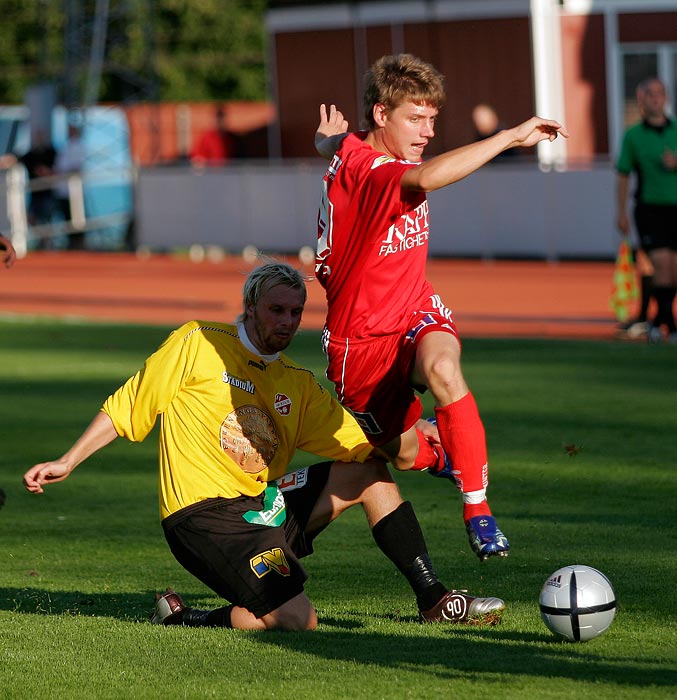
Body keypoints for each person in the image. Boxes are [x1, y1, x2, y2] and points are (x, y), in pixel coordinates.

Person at [23, 261, 506, 630]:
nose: (288, 322)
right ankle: (187, 620)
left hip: (260, 505)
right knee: (300, 620)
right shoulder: (198, 343)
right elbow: (129, 404)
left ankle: (433, 600)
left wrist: (423, 437)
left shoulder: (295, 382)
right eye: (276, 310)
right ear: (250, 306)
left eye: (296, 313)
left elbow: (362, 442)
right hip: (204, 519)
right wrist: (68, 459)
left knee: (367, 473)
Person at [314, 54, 569, 562]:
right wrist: (509, 138)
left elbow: (342, 145)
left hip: (413, 308)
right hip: (359, 342)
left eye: (433, 119)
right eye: (416, 118)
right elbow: (427, 179)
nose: (428, 130)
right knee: (403, 455)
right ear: (382, 114)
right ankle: (443, 455)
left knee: (444, 367)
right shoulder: (374, 170)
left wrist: (326, 141)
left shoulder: (355, 149)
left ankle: (478, 509)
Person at [616, 77, 677, 344]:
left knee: (673, 270)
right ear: (641, 99)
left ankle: (656, 321)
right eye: (650, 94)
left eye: (660, 93)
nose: (656, 98)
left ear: (666, 98)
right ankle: (670, 326)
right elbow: (623, 175)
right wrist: (621, 211)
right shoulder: (633, 136)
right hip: (650, 208)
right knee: (661, 265)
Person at [18, 129, 57, 248]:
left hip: (47, 192)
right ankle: (43, 239)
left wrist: (47, 172)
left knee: (46, 218)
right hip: (35, 194)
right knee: (31, 218)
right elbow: (16, 159)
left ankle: (47, 242)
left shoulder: (51, 152)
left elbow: (59, 169)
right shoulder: (31, 154)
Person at [54, 124, 87, 250]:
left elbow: (76, 168)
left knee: (76, 217)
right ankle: (72, 244)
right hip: (63, 189)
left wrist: (60, 173)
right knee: (67, 217)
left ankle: (78, 244)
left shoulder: (78, 146)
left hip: (73, 190)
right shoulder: (66, 146)